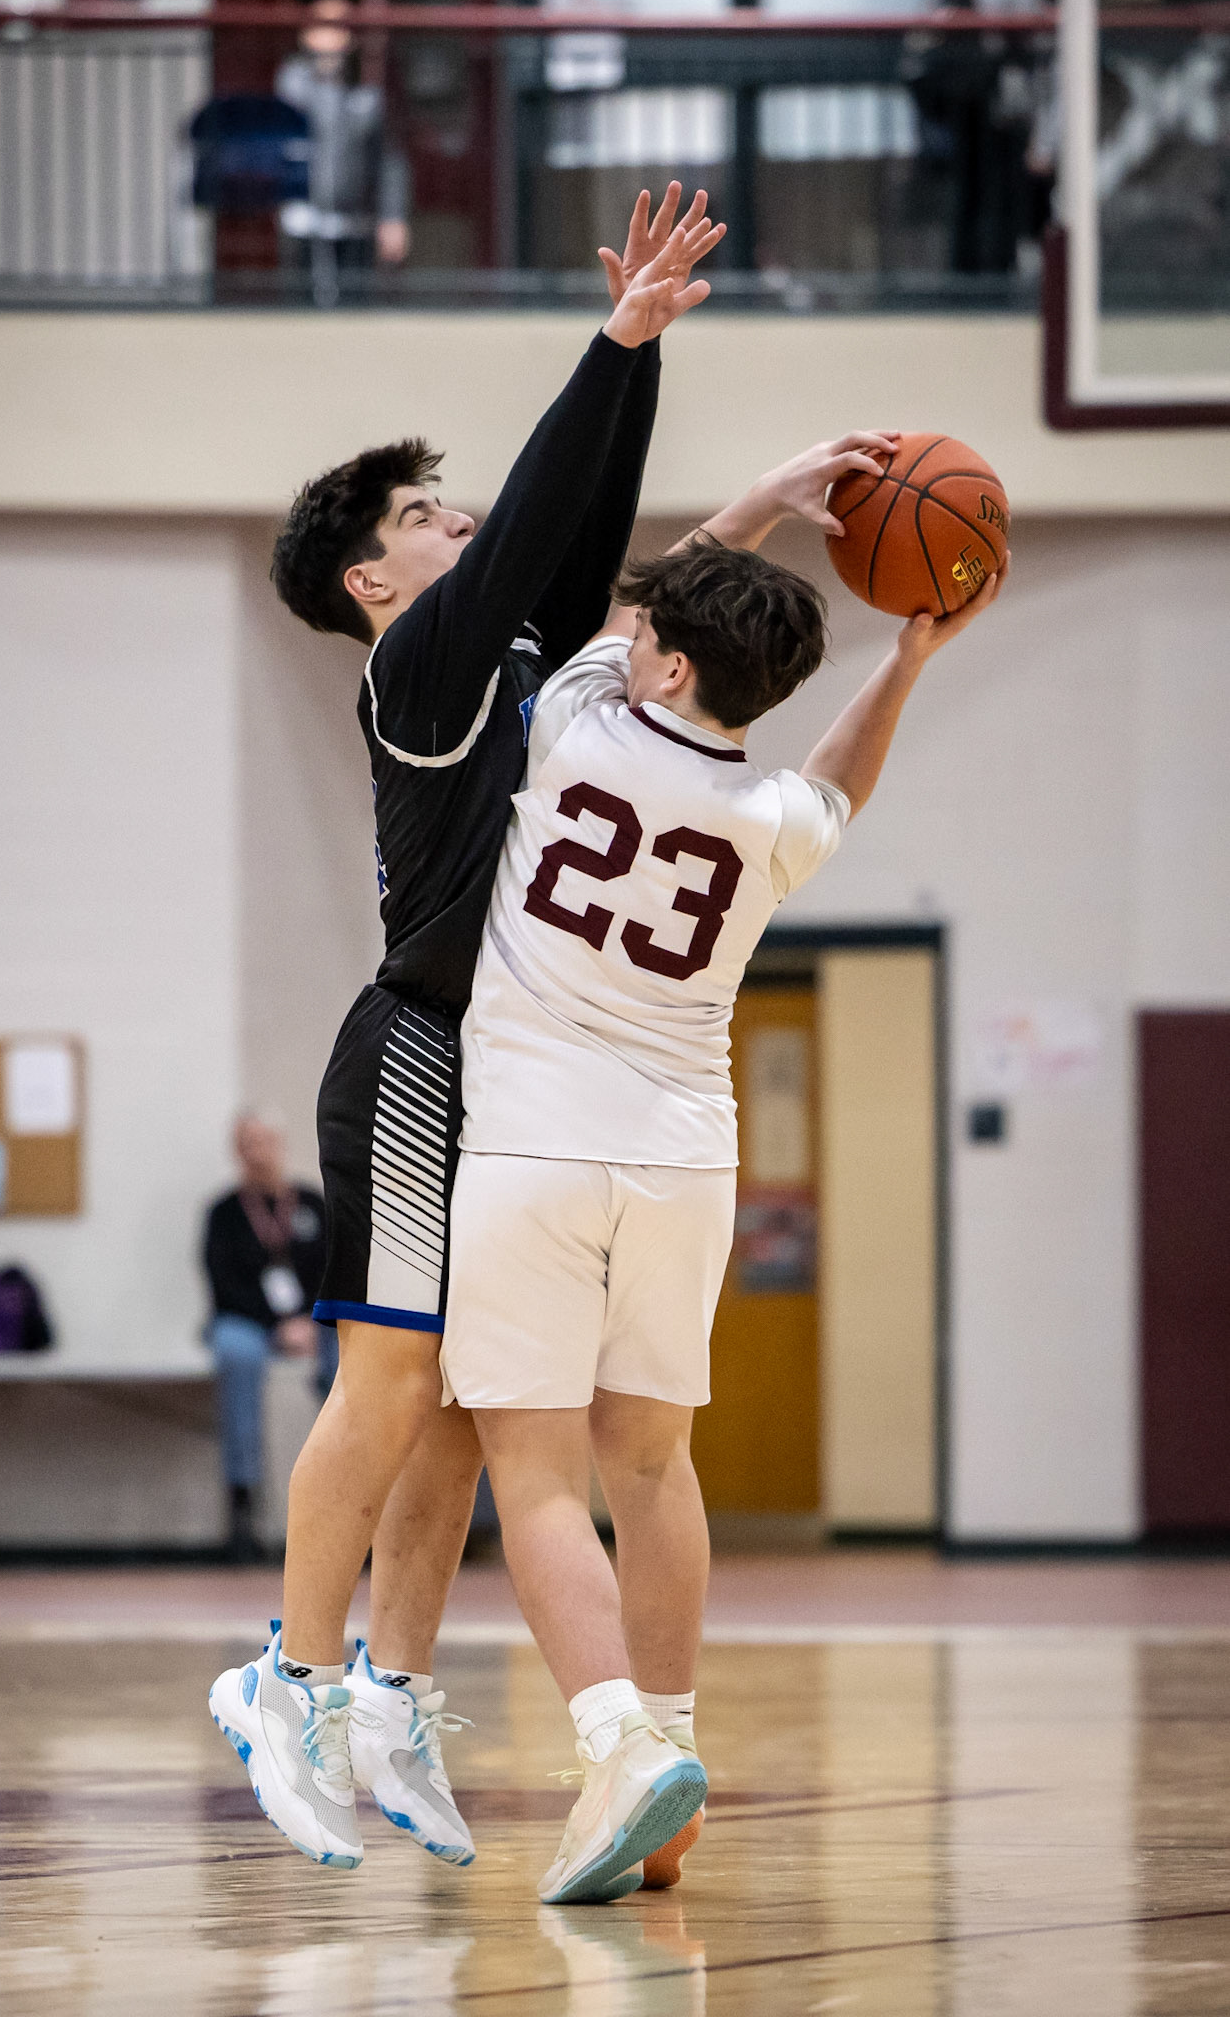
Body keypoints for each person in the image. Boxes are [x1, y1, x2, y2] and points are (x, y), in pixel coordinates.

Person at [207, 188, 726, 1874]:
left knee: (455, 1405)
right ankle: (285, 1677)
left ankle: (393, 1689)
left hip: (511, 1066)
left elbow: (576, 542)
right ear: (373, 576)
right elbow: (533, 539)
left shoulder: (504, 657)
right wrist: (613, 342)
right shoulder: (419, 668)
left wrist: (644, 367)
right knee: (387, 1385)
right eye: (427, 514)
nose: (463, 520)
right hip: (418, 1051)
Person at [442, 508, 1008, 1903]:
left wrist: (773, 494)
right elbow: (839, 786)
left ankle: (619, 1749)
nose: (631, 635)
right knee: (652, 1465)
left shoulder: (575, 722)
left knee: (534, 1471)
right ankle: (672, 1754)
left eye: (654, 631)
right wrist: (909, 655)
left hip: (535, 1142)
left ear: (674, 664)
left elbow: (651, 587)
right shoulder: (770, 822)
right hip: (687, 1156)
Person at [203, 1112, 327, 1561]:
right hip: (247, 1322)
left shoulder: (312, 1204)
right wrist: (277, 1326)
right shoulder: (223, 1213)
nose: (258, 1152)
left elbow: (336, 1269)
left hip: (312, 1320)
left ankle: (351, 1496)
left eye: (265, 1141)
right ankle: (243, 1507)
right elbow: (222, 1283)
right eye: (248, 1143)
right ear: (237, 1152)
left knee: (350, 1360)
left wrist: (309, 1319)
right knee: (237, 1355)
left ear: (280, 1145)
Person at [274, 0, 411, 307]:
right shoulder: (292, 81)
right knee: (302, 309)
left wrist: (393, 217)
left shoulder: (369, 90)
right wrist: (324, 73)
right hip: (304, 217)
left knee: (354, 308)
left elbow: (389, 160)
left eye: (343, 28)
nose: (334, 37)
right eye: (325, 27)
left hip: (355, 219)